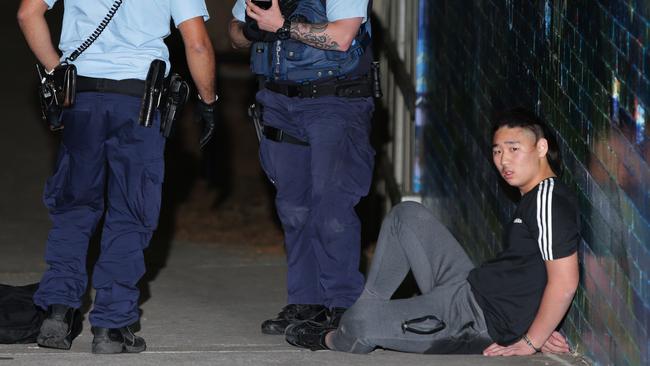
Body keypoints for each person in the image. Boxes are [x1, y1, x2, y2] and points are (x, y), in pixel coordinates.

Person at [284, 108, 580, 357]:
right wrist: (540, 324)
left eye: (514, 149)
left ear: (541, 148)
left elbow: (564, 281)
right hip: (468, 288)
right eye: (497, 150)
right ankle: (366, 308)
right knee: (406, 214)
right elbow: (531, 274)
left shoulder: (547, 200)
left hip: (472, 321)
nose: (503, 160)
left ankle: (332, 337)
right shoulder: (536, 197)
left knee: (359, 324)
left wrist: (531, 340)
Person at [17, 0, 217, 354]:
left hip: (81, 99)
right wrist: (208, 100)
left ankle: (58, 312)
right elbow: (197, 43)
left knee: (74, 206)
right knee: (131, 211)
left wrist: (57, 69)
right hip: (138, 102)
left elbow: (27, 13)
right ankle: (111, 326)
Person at [228, 0, 377, 334]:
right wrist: (250, 29)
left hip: (334, 101)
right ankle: (306, 302)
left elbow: (342, 37)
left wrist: (281, 26)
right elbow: (234, 34)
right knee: (293, 208)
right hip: (279, 102)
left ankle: (343, 306)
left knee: (332, 207)